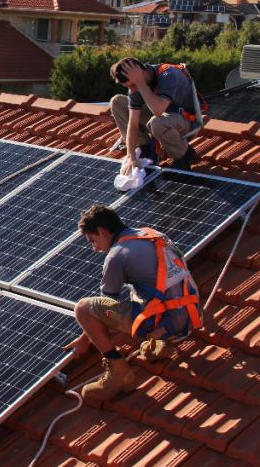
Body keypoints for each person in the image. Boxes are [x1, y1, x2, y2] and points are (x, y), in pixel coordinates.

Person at [64, 204, 201, 402]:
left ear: (103, 231)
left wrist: (84, 340)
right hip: (191, 313)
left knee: (84, 308)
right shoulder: (152, 234)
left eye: (93, 240)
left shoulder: (116, 256)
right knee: (140, 289)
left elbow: (103, 306)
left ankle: (119, 373)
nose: (94, 248)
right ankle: (160, 341)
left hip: (168, 323)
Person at [109, 57, 200, 174]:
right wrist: (131, 156)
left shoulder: (168, 74)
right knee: (117, 101)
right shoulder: (136, 86)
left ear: (141, 73)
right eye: (128, 87)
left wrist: (140, 82)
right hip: (162, 119)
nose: (131, 89)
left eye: (132, 84)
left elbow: (158, 110)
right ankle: (143, 148)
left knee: (157, 122)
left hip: (187, 121)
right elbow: (133, 123)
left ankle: (184, 155)